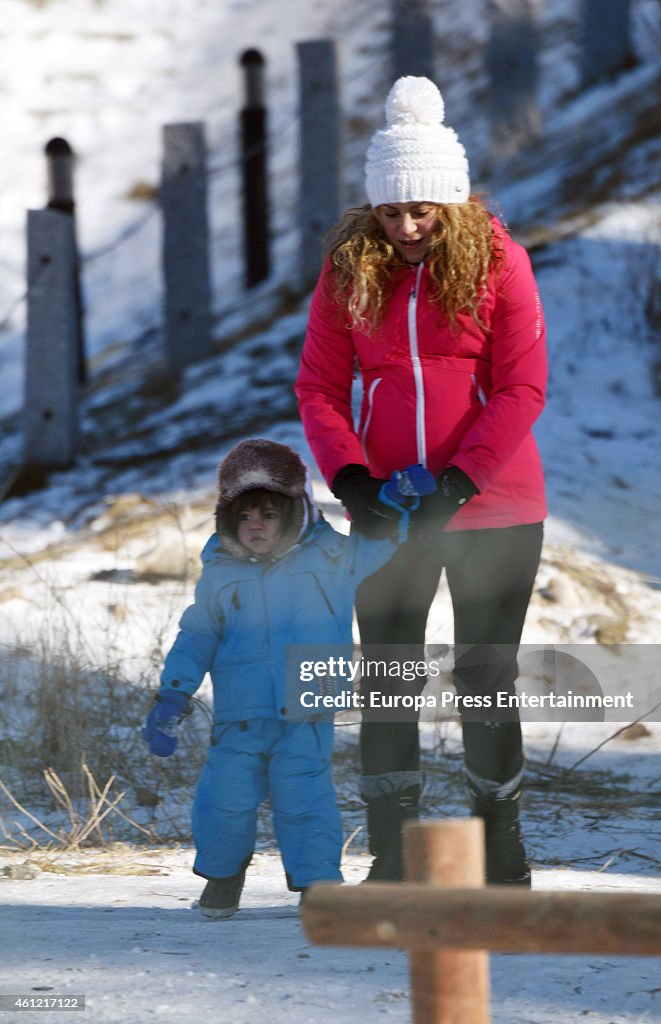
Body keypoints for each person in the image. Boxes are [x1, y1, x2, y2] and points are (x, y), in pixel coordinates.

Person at [295, 76, 547, 886]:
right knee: (388, 674)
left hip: (494, 509)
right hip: (389, 513)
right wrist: (351, 476)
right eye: (391, 212)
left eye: (421, 211)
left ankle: (497, 841)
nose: (405, 227)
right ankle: (394, 849)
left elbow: (520, 387)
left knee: (483, 674)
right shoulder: (348, 274)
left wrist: (460, 482)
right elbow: (319, 389)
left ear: (451, 202)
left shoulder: (500, 264)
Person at [141, 438, 401, 918]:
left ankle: (319, 889)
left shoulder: (332, 558)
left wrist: (393, 508)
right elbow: (197, 635)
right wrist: (172, 695)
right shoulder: (221, 572)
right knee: (224, 801)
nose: (255, 525)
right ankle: (222, 880)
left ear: (294, 511)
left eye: (267, 514)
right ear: (227, 519)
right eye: (244, 516)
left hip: (308, 708)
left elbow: (381, 548)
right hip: (240, 714)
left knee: (306, 802)